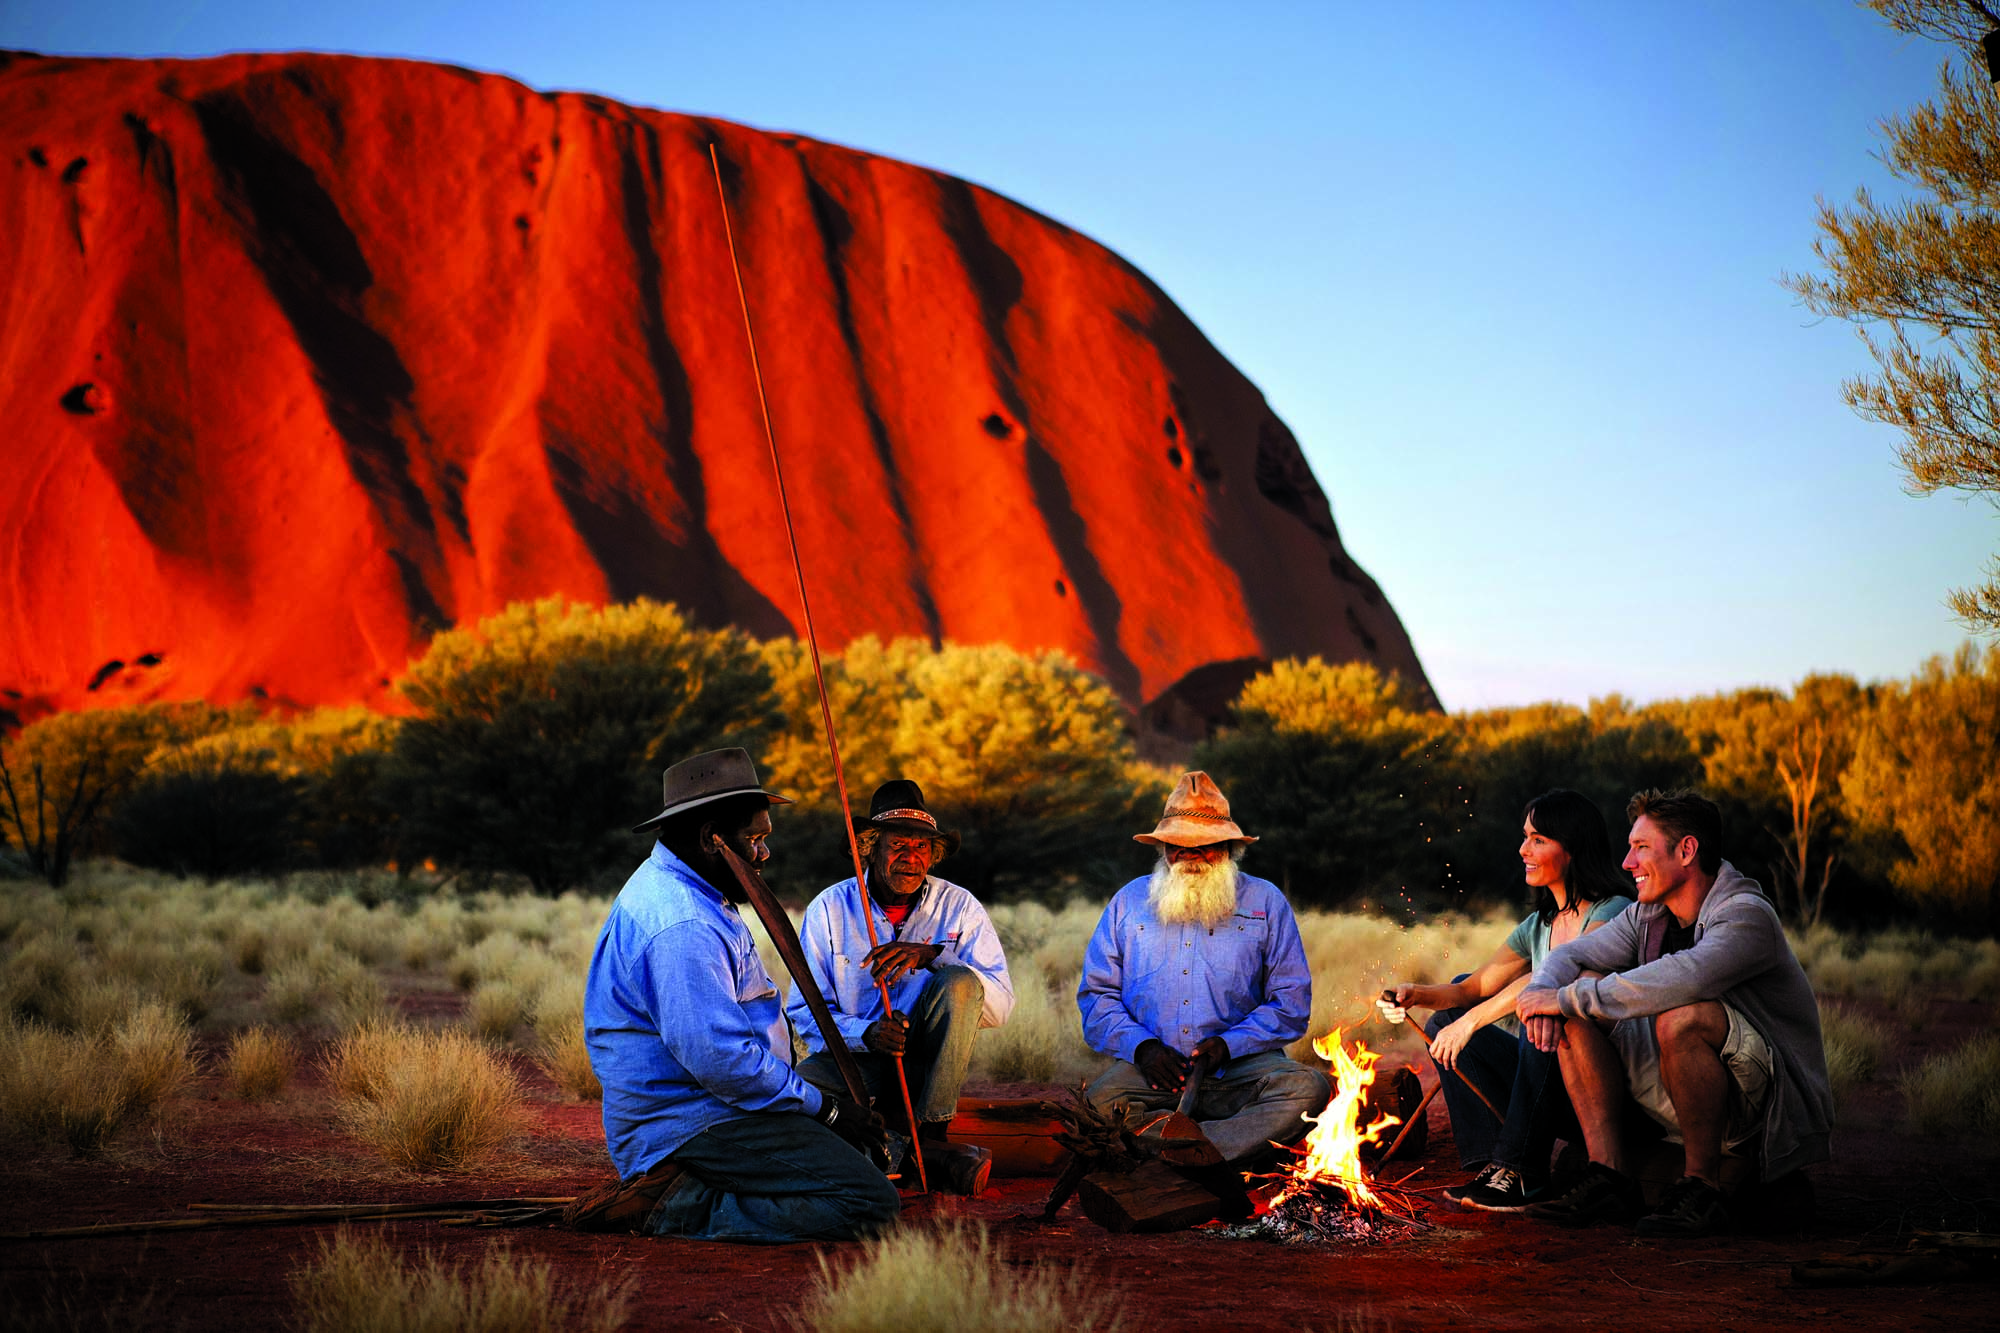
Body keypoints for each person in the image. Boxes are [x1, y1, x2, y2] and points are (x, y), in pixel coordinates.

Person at [582, 748, 900, 1242]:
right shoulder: (682, 924)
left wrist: (820, 1109)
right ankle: (678, 1206)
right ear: (712, 839)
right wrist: (828, 1111)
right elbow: (722, 1063)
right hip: (690, 1122)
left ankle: (714, 1185)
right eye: (755, 839)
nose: (764, 853)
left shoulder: (692, 888)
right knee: (869, 1201)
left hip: (722, 1102)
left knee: (855, 1144)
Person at [1516, 788, 1833, 1238]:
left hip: (1763, 1109)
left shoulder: (1746, 916)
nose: (1627, 863)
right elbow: (1573, 954)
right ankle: (1610, 1177)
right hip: (1681, 1086)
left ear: (1687, 850)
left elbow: (1683, 977)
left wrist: (1565, 997)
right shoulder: (1648, 914)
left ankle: (1704, 1186)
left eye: (1641, 848)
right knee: (1579, 1001)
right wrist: (1547, 996)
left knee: (1680, 1015)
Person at [1377, 789, 1633, 1211]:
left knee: (1543, 1011)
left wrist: (1472, 1022)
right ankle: (1492, 1162)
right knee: (1448, 1017)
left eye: (1538, 839)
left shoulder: (1613, 911)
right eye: (1525, 836)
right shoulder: (1538, 924)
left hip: (1598, 1089)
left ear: (1571, 848)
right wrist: (1416, 995)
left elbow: (1555, 978)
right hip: (1549, 1087)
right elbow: (1472, 988)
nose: (1523, 849)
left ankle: (1523, 1171)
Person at [1077, 771, 1330, 1181]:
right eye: (1177, 846)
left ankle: (1187, 1153)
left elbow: (1291, 1003)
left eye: (1205, 847)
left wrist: (1230, 1045)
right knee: (1095, 1105)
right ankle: (1222, 1153)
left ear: (1230, 849)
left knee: (1309, 1090)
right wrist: (1143, 1050)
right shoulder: (1129, 902)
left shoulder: (1266, 901)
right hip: (1154, 1073)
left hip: (1241, 1070)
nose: (1190, 856)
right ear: (1162, 850)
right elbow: (1097, 997)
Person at [789, 779, 1015, 1196]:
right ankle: (923, 1156)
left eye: (922, 847)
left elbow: (999, 1007)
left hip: (929, 1067)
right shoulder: (829, 908)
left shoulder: (959, 907)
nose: (911, 859)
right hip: (857, 1061)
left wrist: (934, 956)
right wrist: (868, 1035)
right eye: (898, 845)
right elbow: (805, 1013)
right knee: (796, 1095)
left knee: (961, 982)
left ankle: (932, 1135)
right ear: (870, 847)